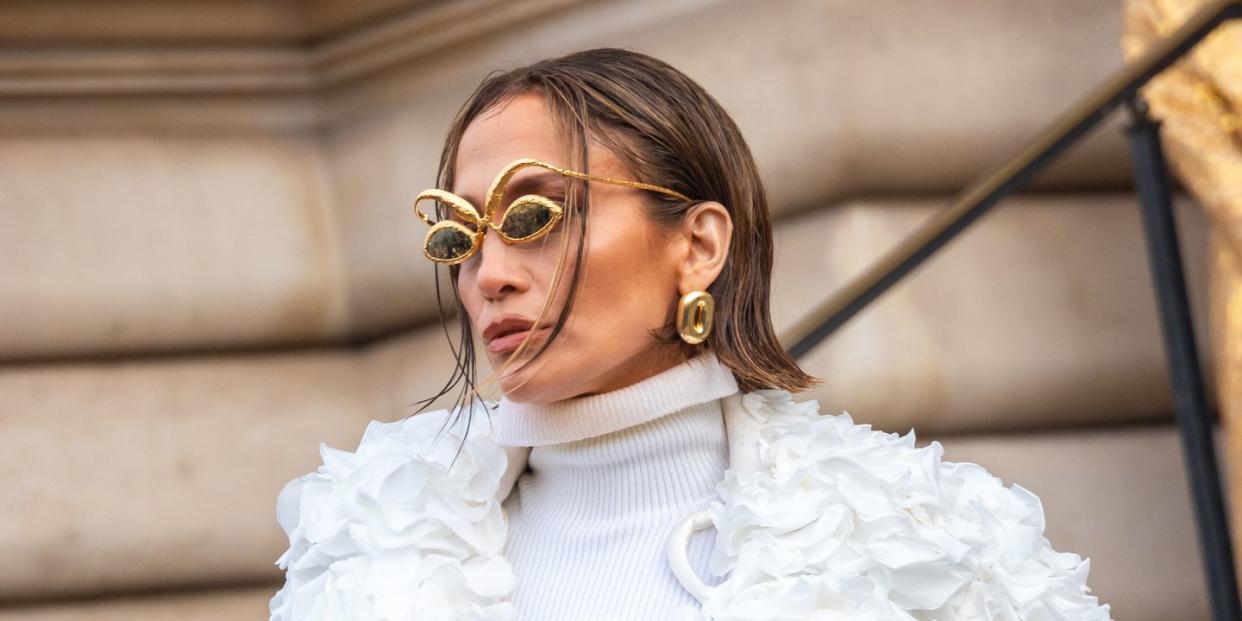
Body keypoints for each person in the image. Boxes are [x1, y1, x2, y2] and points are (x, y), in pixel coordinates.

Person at [268, 48, 1112, 621]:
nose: (488, 273)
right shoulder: (365, 542)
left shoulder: (923, 537)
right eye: (459, 235)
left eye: (534, 215)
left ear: (698, 244)